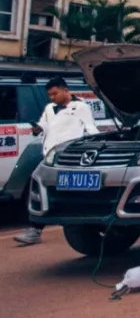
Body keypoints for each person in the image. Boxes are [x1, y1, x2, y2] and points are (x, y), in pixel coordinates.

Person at [13, 77, 98, 246]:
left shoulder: (81, 107)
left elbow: (91, 129)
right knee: (40, 190)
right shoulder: (49, 108)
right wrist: (37, 128)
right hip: (50, 158)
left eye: (55, 94)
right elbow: (43, 126)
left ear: (65, 90)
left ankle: (86, 227)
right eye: (50, 95)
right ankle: (35, 230)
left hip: (70, 158)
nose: (52, 98)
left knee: (73, 193)